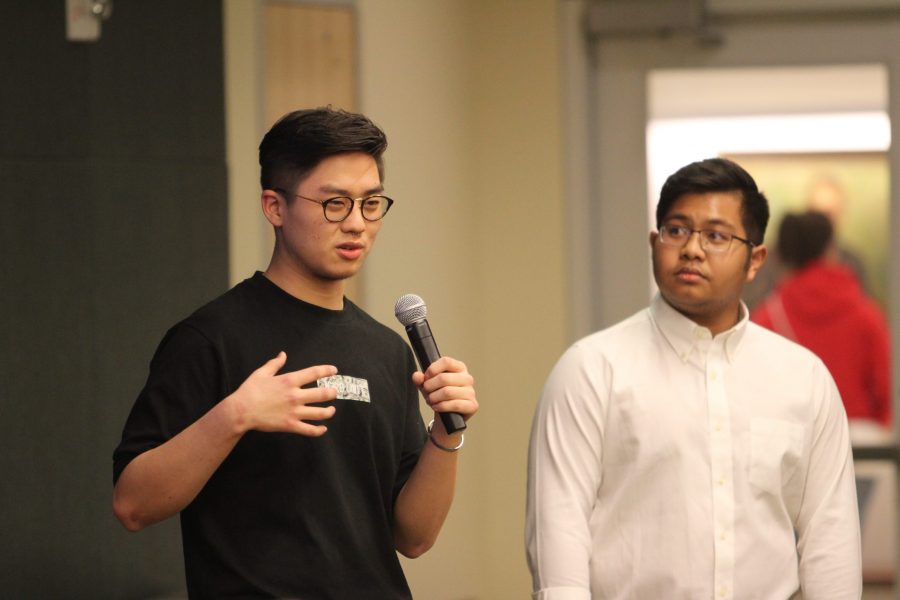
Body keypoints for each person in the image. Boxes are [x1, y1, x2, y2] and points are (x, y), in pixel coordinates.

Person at [112, 107, 478, 599]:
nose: (356, 225)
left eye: (371, 204)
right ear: (274, 207)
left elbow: (413, 537)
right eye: (334, 204)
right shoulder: (210, 337)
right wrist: (235, 415)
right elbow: (133, 504)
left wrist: (445, 432)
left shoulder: (388, 351)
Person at [526, 158, 860, 599]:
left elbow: (829, 539)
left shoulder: (804, 378)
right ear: (654, 242)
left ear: (755, 259)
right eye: (676, 230)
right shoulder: (591, 370)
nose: (692, 249)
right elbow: (559, 538)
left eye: (716, 236)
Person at [752, 210, 890, 429]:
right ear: (829, 250)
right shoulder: (866, 313)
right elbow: (887, 389)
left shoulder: (768, 316)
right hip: (865, 448)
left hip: (797, 440)